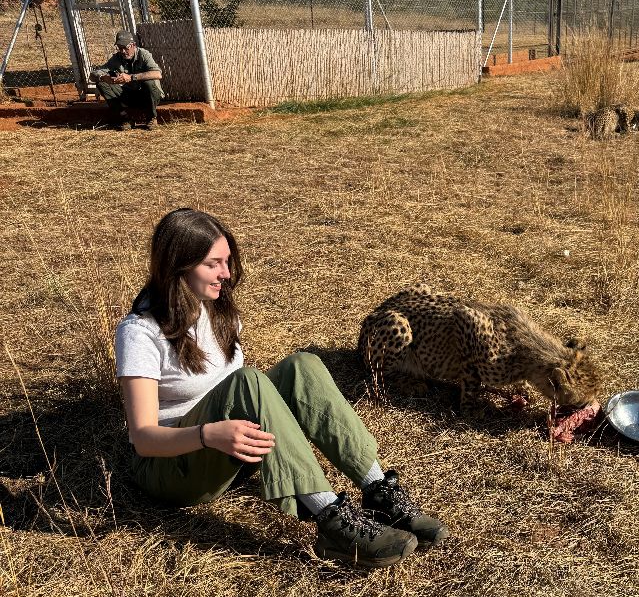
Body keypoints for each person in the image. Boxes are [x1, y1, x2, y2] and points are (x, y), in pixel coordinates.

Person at [114, 208, 448, 569]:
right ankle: (330, 520)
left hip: (230, 450)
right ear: (178, 266)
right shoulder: (139, 332)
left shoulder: (213, 307)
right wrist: (209, 435)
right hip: (169, 470)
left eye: (227, 261)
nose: (226, 274)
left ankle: (379, 490)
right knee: (248, 382)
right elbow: (143, 438)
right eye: (214, 264)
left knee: (302, 366)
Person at [92, 30, 164, 131]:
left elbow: (157, 74)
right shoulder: (117, 58)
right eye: (120, 48)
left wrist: (131, 77)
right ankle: (124, 118)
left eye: (126, 47)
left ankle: (151, 117)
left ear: (133, 45)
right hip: (130, 96)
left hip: (148, 96)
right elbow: (94, 74)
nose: (123, 51)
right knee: (102, 83)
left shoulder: (144, 54)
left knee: (149, 82)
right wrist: (104, 77)